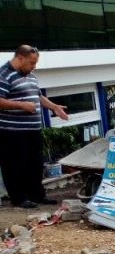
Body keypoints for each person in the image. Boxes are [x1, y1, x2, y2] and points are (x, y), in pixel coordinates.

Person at [0, 45, 69, 208]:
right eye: (31, 63)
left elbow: (37, 96)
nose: (34, 67)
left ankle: (37, 195)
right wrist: (22, 106)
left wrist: (53, 107)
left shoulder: (30, 75)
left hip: (33, 130)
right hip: (12, 132)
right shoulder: (4, 74)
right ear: (20, 58)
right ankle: (18, 198)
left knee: (35, 164)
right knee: (16, 165)